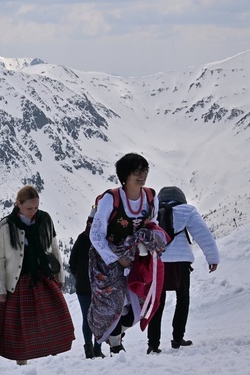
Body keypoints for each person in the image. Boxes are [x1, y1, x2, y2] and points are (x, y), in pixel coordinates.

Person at [88, 153, 168, 353]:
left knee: (138, 301)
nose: (142, 175)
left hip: (136, 258)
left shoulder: (150, 196)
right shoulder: (111, 198)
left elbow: (153, 222)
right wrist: (117, 259)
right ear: (125, 175)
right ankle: (115, 345)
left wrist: (151, 239)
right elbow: (96, 235)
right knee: (111, 303)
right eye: (136, 171)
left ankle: (116, 334)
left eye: (144, 170)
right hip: (106, 259)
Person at [0, 186, 75, 364]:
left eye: (36, 207)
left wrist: (60, 277)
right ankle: (22, 363)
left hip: (43, 277)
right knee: (21, 326)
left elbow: (54, 248)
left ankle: (53, 359)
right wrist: (1, 290)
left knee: (54, 319)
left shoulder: (44, 219)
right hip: (19, 281)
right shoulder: (6, 226)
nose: (33, 212)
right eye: (29, 208)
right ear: (18, 204)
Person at [147, 186, 220, 352]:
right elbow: (203, 234)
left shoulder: (153, 211)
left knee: (157, 302)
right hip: (181, 262)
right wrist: (213, 258)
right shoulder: (188, 211)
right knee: (183, 299)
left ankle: (153, 344)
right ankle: (178, 339)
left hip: (158, 261)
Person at [68, 211, 105, 359]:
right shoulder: (103, 240)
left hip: (82, 286)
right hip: (101, 287)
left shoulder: (81, 239)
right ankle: (97, 348)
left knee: (86, 318)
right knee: (100, 317)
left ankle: (88, 348)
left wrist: (79, 275)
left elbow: (72, 262)